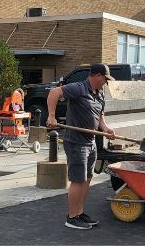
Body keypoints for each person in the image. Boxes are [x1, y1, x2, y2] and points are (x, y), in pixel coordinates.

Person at [47, 63, 116, 231]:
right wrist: (51, 116)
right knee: (78, 180)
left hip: (91, 141)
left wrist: (105, 129)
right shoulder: (79, 88)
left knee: (87, 179)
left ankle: (80, 213)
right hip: (76, 142)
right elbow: (54, 92)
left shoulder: (99, 94)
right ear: (97, 76)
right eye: (105, 79)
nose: (105, 83)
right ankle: (71, 217)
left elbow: (99, 115)